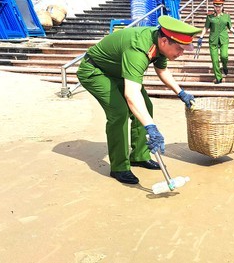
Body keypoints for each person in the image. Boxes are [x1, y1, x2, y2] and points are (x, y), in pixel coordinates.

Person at [76, 16, 202, 185]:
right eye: (180, 49)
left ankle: (139, 155)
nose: (181, 53)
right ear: (165, 41)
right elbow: (131, 95)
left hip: (119, 71)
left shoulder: (159, 43)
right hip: (96, 71)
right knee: (119, 112)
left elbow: (162, 70)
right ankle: (119, 167)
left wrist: (181, 93)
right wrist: (151, 127)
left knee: (146, 106)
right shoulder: (139, 48)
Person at [197, 0, 234, 84]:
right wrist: (201, 37)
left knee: (224, 56)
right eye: (216, 6)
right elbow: (206, 27)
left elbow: (230, 26)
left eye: (219, 6)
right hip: (213, 40)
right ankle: (218, 77)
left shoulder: (227, 16)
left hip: (224, 39)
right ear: (214, 7)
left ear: (223, 6)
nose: (218, 8)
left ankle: (224, 66)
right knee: (214, 59)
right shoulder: (210, 17)